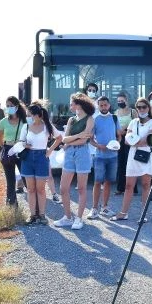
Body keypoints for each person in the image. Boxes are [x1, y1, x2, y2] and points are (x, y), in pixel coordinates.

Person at [111, 98, 152, 222]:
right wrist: (139, 142)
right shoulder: (133, 122)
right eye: (139, 107)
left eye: (144, 107)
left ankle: (144, 214)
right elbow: (126, 140)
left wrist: (135, 142)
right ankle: (123, 213)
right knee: (128, 185)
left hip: (147, 156)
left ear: (148, 108)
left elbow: (149, 140)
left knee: (145, 184)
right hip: (134, 156)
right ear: (136, 109)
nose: (142, 109)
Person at [54, 93, 95, 230]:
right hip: (70, 152)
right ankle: (67, 217)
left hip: (83, 152)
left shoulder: (90, 119)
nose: (70, 106)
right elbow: (64, 139)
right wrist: (78, 135)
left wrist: (73, 139)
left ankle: (79, 218)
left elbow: (85, 140)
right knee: (63, 188)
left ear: (79, 104)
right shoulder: (71, 119)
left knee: (82, 188)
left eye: (72, 103)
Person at [19, 103, 62, 225]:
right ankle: (32, 215)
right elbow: (21, 141)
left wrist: (50, 150)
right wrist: (24, 144)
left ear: (38, 115)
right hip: (27, 158)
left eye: (30, 115)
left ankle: (42, 215)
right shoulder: (26, 127)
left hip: (42, 158)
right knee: (31, 189)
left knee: (41, 189)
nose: (28, 117)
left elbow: (59, 138)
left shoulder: (47, 126)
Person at [87, 96, 121, 219]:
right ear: (98, 106)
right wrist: (98, 146)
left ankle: (105, 208)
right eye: (101, 105)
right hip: (100, 156)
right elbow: (90, 139)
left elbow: (119, 136)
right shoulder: (95, 119)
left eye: (105, 105)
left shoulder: (114, 118)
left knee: (108, 182)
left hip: (113, 156)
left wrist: (117, 143)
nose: (103, 107)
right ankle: (94, 208)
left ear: (109, 105)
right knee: (97, 182)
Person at [0, 96, 27, 206]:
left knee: (26, 178)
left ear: (17, 106)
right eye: (7, 106)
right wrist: (3, 151)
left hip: (22, 151)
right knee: (10, 181)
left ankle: (35, 209)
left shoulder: (25, 121)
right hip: (8, 150)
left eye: (11, 106)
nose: (9, 108)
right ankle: (12, 205)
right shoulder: (3, 122)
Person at [114, 91, 138, 196]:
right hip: (119, 140)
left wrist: (125, 130)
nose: (120, 103)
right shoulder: (115, 113)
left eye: (122, 101)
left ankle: (133, 188)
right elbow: (114, 127)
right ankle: (120, 188)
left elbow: (137, 125)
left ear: (126, 101)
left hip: (130, 140)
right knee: (120, 164)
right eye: (118, 101)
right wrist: (120, 132)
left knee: (131, 164)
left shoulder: (133, 112)